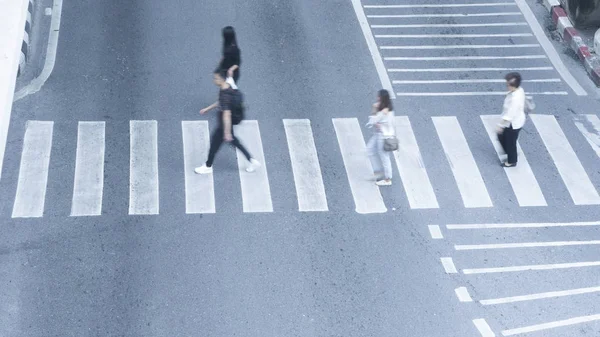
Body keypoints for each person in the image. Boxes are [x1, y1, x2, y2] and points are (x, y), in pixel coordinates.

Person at [195, 69, 260, 174]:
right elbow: (220, 102)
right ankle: (251, 160)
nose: (214, 80)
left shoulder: (225, 94)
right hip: (225, 125)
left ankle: (208, 166)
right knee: (234, 142)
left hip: (223, 125)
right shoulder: (228, 86)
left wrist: (226, 132)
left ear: (222, 79)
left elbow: (226, 114)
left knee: (214, 144)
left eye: (216, 78)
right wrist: (208, 109)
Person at [496, 72, 526, 167]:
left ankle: (512, 161)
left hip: (513, 124)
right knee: (504, 138)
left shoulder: (515, 99)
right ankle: (510, 153)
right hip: (516, 121)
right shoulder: (518, 90)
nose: (507, 85)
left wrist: (500, 125)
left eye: (508, 84)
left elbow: (510, 115)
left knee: (510, 141)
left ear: (513, 86)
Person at [366, 89, 395, 186]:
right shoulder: (388, 108)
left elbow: (372, 120)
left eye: (379, 97)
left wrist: (374, 108)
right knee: (370, 150)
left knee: (384, 157)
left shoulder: (384, 111)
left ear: (382, 98)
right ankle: (377, 171)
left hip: (383, 137)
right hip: (380, 134)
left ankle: (388, 179)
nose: (377, 98)